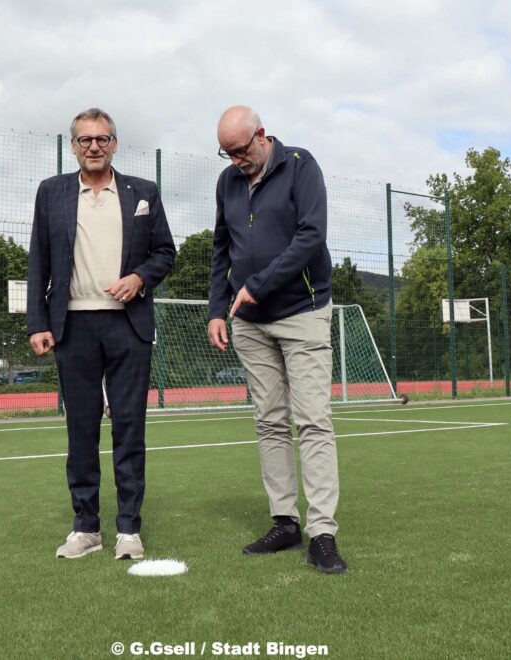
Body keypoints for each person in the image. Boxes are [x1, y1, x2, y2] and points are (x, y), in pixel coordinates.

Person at [27, 108, 175, 560]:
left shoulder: (143, 192)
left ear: (114, 144)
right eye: (85, 139)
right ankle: (86, 527)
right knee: (81, 429)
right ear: (72, 145)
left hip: (128, 324)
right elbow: (38, 261)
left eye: (103, 138)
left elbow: (166, 251)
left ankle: (128, 528)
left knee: (130, 427)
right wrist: (39, 322)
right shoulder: (51, 192)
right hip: (73, 325)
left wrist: (139, 279)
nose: (94, 146)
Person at [207, 106, 346, 574]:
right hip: (248, 321)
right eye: (226, 154)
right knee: (269, 421)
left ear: (261, 136)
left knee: (312, 421)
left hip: (301, 313)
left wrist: (258, 285)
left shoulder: (302, 167)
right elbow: (220, 248)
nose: (234, 161)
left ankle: (322, 533)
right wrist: (215, 310)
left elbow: (311, 237)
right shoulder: (228, 181)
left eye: (240, 151)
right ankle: (284, 521)